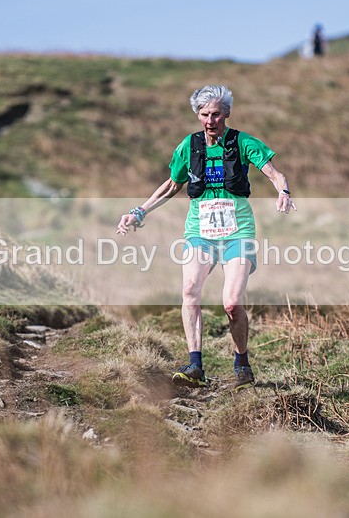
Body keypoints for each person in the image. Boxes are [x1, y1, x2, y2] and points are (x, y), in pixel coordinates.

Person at [116, 85, 296, 391]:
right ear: (197, 115)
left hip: (238, 231)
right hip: (200, 232)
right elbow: (171, 186)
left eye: (215, 113)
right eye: (204, 114)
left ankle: (242, 363)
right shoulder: (189, 146)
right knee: (189, 291)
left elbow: (274, 173)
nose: (210, 120)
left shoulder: (243, 142)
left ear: (226, 113)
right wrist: (139, 211)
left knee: (231, 303)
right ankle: (195, 365)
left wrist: (284, 191)